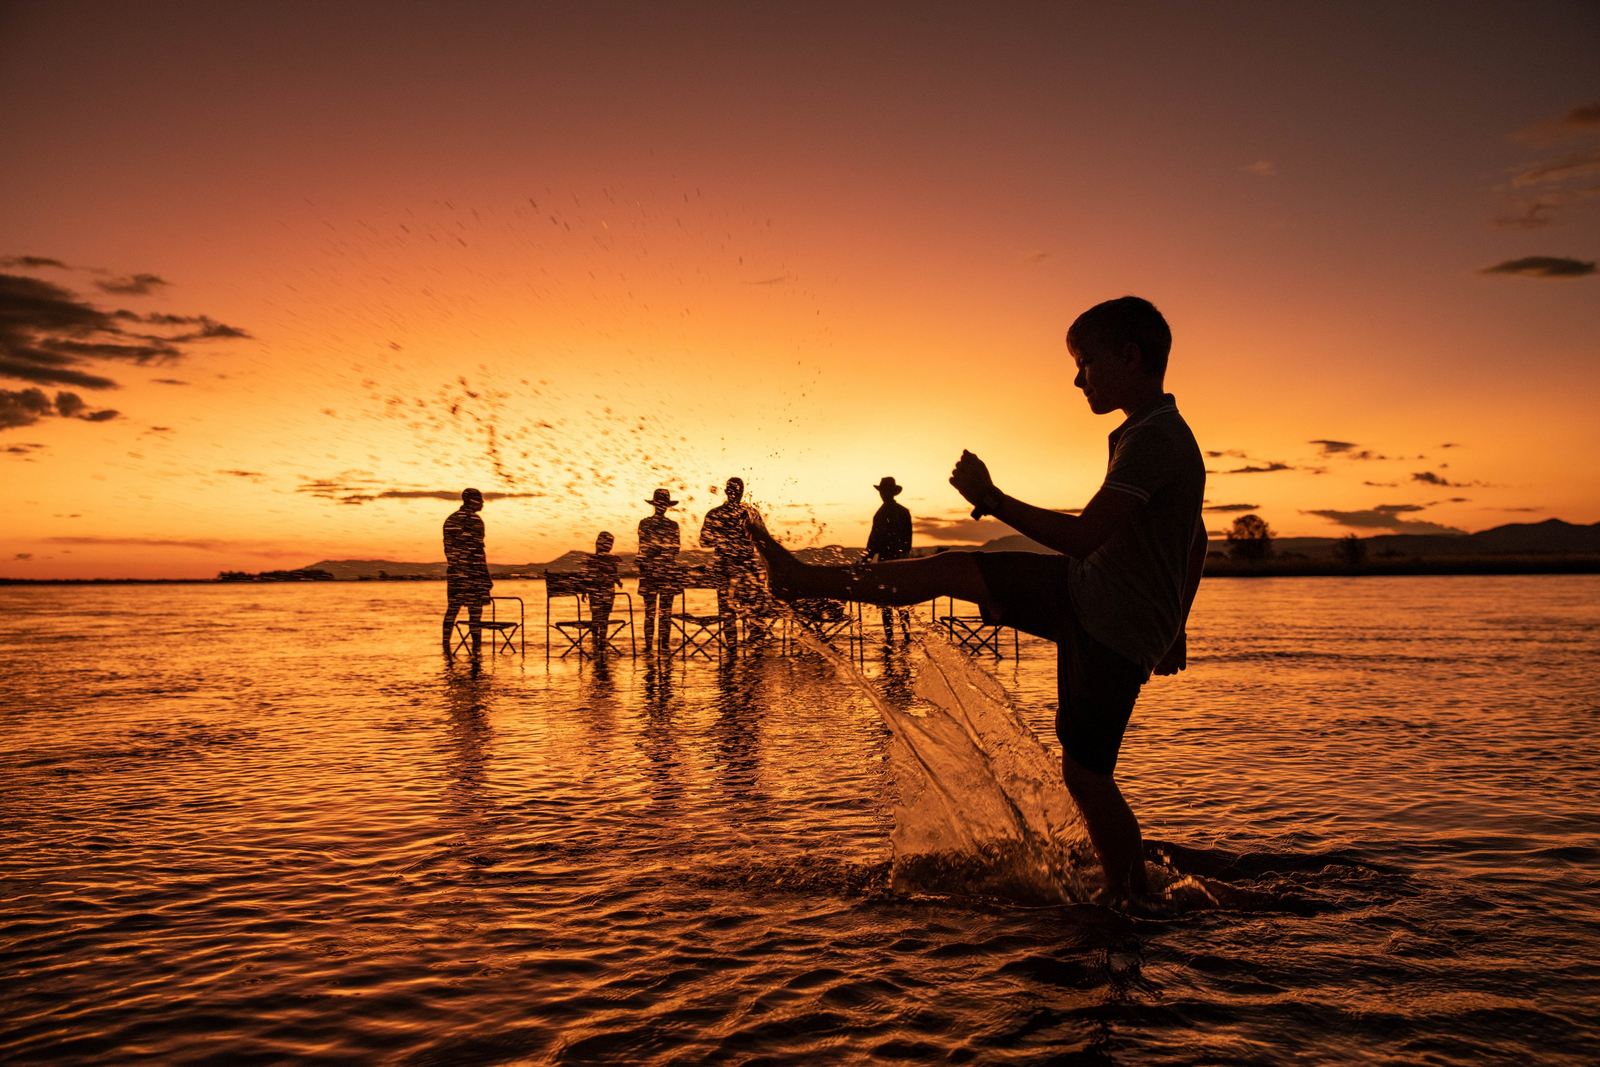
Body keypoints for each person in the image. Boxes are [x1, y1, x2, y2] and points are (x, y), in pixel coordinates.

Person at [751, 296, 1207, 906]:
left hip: (1112, 621)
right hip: (1087, 592)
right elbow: (1193, 537)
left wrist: (990, 497)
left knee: (1088, 777)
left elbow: (1082, 535)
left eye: (1085, 362)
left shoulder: (1157, 437)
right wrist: (1175, 625)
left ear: (1129, 356)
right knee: (951, 568)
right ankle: (801, 581)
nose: (1077, 378)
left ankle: (1129, 903)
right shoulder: (1143, 432)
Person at [699, 477, 769, 647]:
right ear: (742, 493)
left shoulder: (715, 514)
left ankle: (731, 651)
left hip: (724, 568)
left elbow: (704, 542)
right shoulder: (751, 513)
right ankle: (755, 649)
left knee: (727, 611)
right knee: (753, 607)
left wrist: (722, 539)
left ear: (725, 491)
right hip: (746, 569)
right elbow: (764, 541)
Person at [442, 488, 493, 656]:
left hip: (457, 573)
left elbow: (450, 552)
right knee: (475, 615)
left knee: (452, 611)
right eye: (480, 500)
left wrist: (459, 570)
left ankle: (446, 648)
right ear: (472, 501)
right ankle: (476, 651)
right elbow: (478, 553)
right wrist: (483, 578)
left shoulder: (451, 520)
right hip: (473, 574)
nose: (483, 503)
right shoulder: (475, 521)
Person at [864, 476, 914, 641]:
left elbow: (874, 541)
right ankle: (906, 635)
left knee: (886, 603)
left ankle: (890, 637)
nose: (882, 495)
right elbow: (908, 541)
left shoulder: (881, 513)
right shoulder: (904, 512)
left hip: (886, 562)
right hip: (902, 561)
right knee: (902, 601)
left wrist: (866, 560)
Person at [637, 489, 683, 653]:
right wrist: (663, 554)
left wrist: (653, 555)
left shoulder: (644, 524)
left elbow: (644, 548)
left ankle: (650, 646)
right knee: (665, 613)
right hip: (666, 573)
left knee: (650, 613)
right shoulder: (673, 526)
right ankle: (663, 646)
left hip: (650, 572)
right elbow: (675, 550)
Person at [584, 531, 623, 656]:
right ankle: (602, 639)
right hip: (607, 593)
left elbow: (587, 578)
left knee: (595, 616)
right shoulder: (612, 560)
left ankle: (595, 640)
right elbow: (615, 575)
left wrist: (584, 591)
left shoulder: (591, 559)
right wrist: (618, 582)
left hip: (594, 593)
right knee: (605, 617)